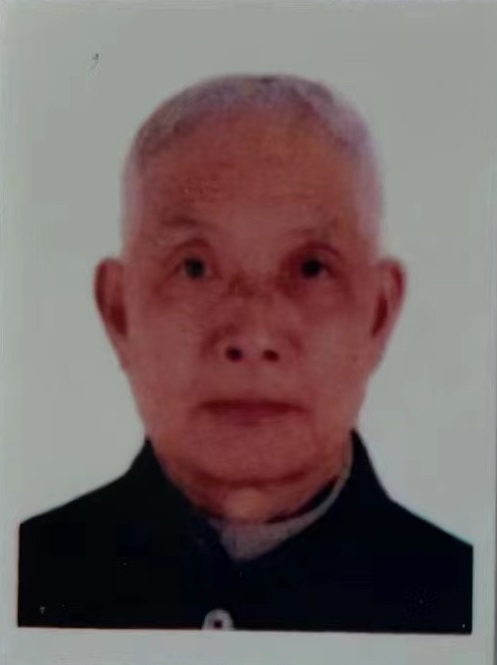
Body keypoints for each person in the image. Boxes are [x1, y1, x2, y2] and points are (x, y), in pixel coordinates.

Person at [18, 74, 473, 632]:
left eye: (311, 268)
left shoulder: (463, 605)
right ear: (119, 311)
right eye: (195, 267)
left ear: (379, 313)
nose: (253, 335)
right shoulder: (23, 582)